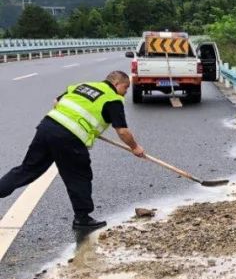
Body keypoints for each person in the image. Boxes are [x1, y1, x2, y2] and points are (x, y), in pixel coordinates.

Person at [0, 70, 146, 230]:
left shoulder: (83, 86)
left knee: (27, 169)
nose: (125, 93)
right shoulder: (113, 99)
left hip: (47, 126)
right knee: (79, 176)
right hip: (69, 138)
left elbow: (56, 102)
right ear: (117, 84)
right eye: (125, 88)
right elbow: (123, 131)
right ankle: (82, 219)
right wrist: (135, 147)